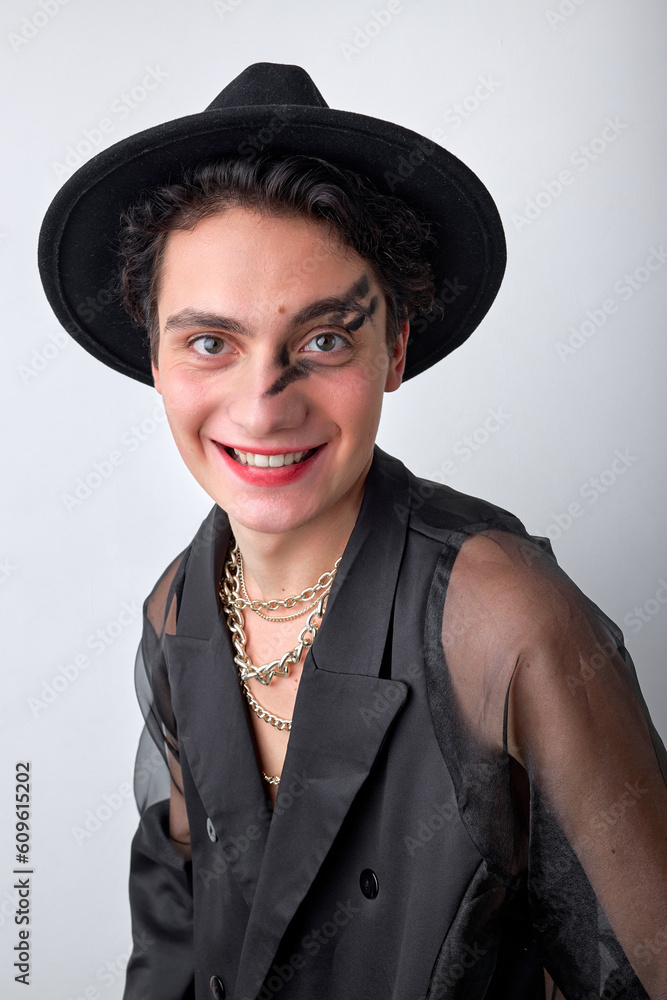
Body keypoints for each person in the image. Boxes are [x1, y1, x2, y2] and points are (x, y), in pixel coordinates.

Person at [38, 63, 666, 1000]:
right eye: (210, 341)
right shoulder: (175, 608)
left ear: (394, 349)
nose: (263, 405)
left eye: (324, 338)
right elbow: (171, 944)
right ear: (156, 354)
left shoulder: (503, 622)